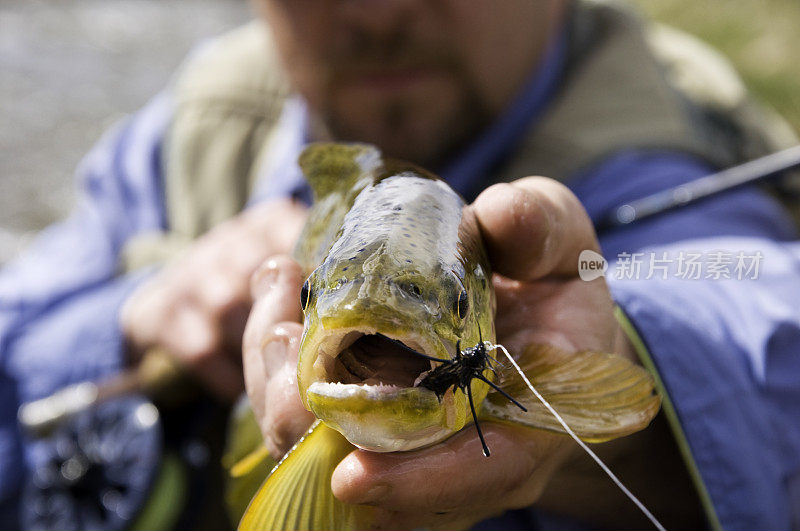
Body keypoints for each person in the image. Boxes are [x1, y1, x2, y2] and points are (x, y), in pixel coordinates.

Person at [1, 0, 799, 528]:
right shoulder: (191, 130)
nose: (377, 11)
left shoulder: (669, 146)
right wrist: (128, 319)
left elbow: (753, 306)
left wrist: (624, 386)